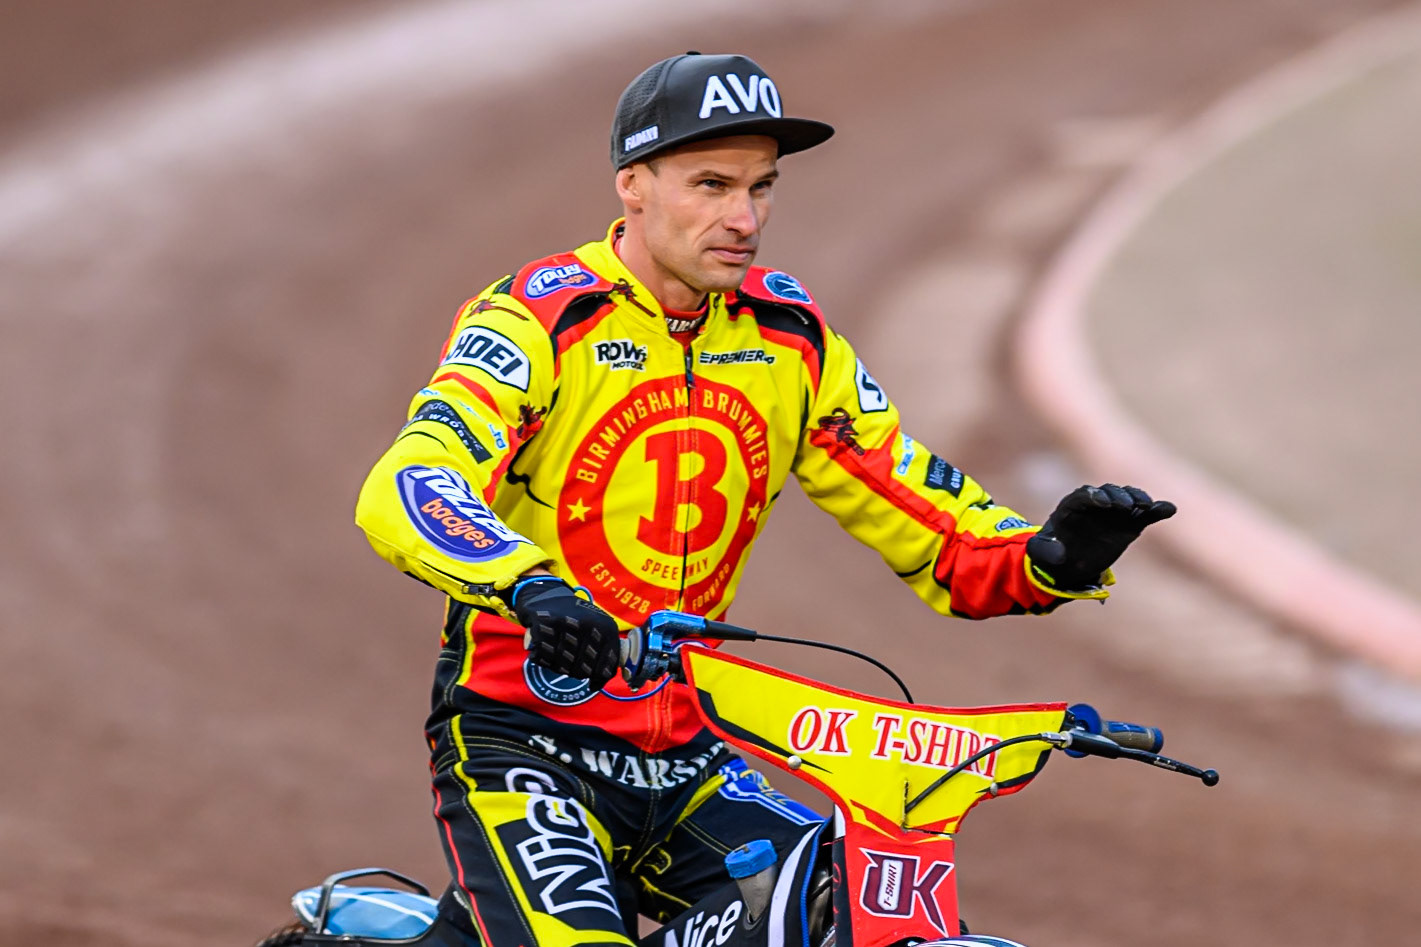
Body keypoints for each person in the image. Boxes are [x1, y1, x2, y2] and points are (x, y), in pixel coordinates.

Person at [354, 51, 1174, 947]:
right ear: (633, 184)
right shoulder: (537, 320)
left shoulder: (791, 338)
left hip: (691, 750)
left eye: (761, 187)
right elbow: (410, 482)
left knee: (858, 906)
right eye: (710, 185)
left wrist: (1046, 558)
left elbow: (916, 506)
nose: (743, 219)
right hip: (524, 742)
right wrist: (527, 583)